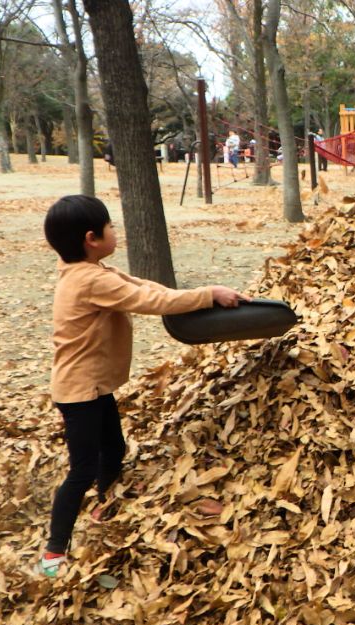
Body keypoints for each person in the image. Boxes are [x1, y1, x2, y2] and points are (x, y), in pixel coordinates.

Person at [37, 195, 248, 578]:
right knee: (82, 470)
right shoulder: (90, 280)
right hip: (79, 391)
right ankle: (54, 551)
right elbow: (147, 299)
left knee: (113, 449)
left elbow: (141, 284)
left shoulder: (87, 269)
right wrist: (208, 295)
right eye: (110, 227)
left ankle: (105, 505)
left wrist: (202, 291)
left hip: (93, 387)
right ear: (91, 239)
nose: (114, 231)